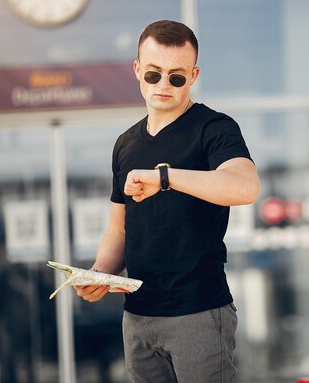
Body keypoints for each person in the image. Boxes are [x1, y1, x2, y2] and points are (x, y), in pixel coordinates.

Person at [75, 20, 260, 383]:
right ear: (137, 70)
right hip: (139, 316)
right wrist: (99, 273)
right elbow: (119, 227)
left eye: (176, 77)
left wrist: (165, 177)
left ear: (193, 76)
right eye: (154, 74)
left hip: (198, 312)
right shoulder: (126, 144)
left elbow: (245, 187)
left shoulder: (214, 129)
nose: (163, 85)